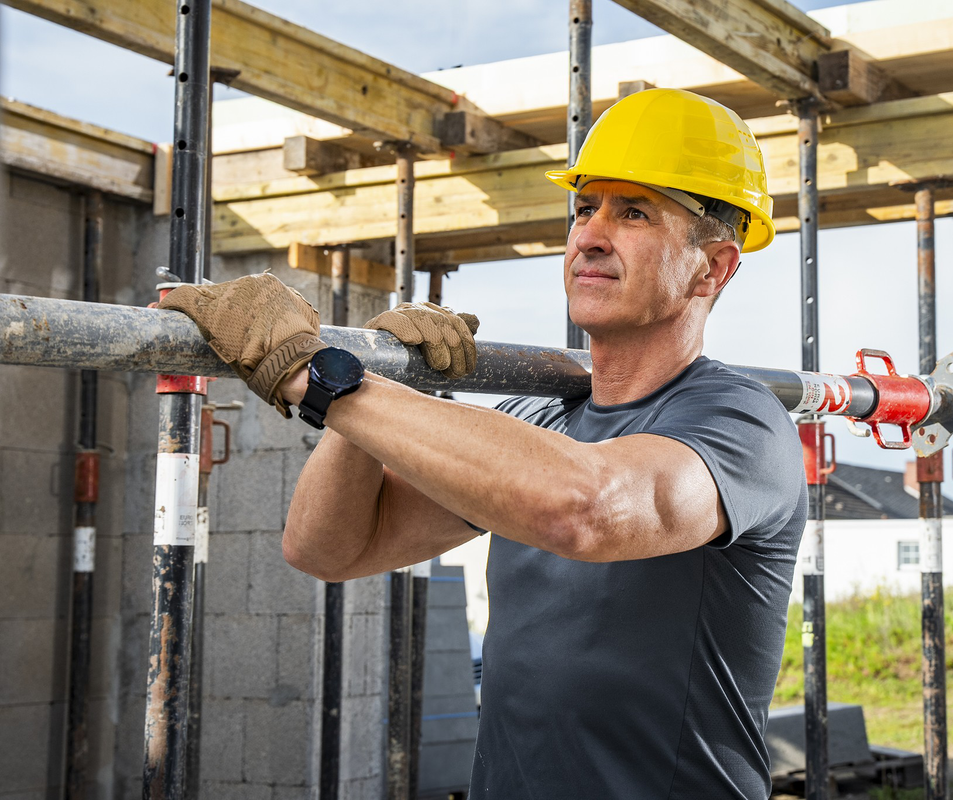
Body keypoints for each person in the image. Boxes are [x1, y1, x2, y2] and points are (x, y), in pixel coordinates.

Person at [160, 88, 806, 799]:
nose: (590, 236)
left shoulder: (741, 424)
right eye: (584, 208)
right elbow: (328, 549)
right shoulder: (539, 421)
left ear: (712, 267)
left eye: (634, 213)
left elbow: (584, 508)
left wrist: (318, 376)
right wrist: (375, 381)